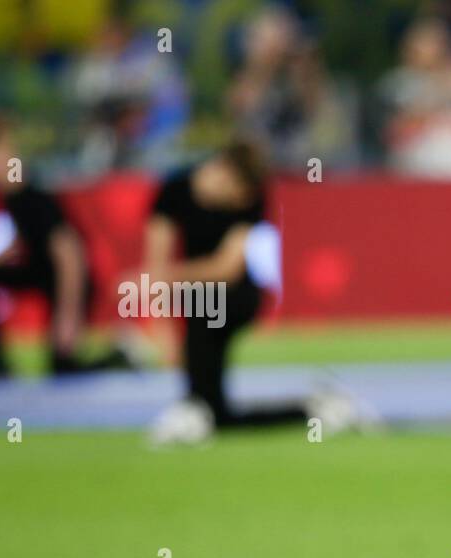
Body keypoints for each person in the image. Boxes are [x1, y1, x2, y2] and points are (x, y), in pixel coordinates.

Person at [144, 139, 357, 442]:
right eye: (239, 193)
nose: (244, 201)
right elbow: (155, 265)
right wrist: (161, 325)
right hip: (196, 294)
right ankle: (312, 409)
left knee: (204, 300)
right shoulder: (173, 191)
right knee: (218, 413)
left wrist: (164, 280)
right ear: (224, 172)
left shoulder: (252, 199)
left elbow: (225, 269)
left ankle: (194, 407)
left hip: (236, 295)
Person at [0, 115, 129, 379]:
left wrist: (67, 316)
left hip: (66, 281)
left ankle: (118, 355)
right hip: (43, 272)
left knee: (63, 367)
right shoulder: (12, 198)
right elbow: (22, 245)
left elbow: (70, 256)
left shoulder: (34, 199)